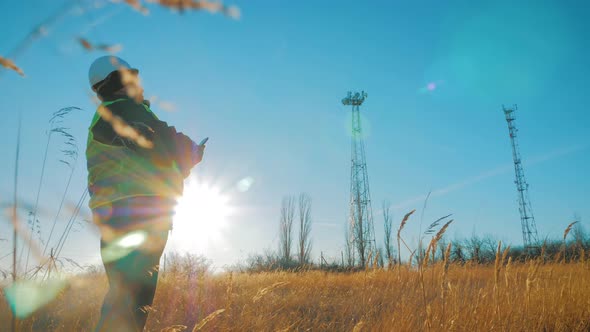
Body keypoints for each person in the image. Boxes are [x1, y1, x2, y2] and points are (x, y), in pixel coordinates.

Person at [87, 56, 205, 331]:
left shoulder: (115, 114)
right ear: (117, 81)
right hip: (135, 214)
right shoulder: (123, 110)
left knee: (128, 300)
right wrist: (189, 151)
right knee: (130, 301)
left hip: (124, 215)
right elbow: (159, 141)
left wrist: (183, 160)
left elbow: (154, 155)